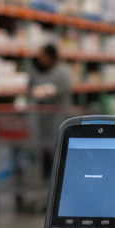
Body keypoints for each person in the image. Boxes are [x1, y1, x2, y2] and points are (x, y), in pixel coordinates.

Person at [28, 43, 73, 180]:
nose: (40, 59)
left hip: (58, 117)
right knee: (43, 151)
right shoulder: (36, 72)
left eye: (43, 56)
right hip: (41, 119)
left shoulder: (62, 72)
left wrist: (51, 91)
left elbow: (65, 89)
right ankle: (46, 179)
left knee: (58, 150)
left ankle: (62, 179)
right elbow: (30, 88)